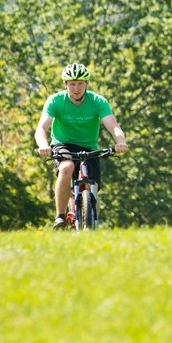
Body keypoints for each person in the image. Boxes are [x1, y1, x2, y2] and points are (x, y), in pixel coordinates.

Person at [35, 63, 128, 229]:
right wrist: (43, 145)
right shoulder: (56, 101)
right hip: (63, 145)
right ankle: (60, 216)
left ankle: (91, 224)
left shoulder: (98, 101)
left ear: (87, 84)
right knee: (66, 167)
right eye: (72, 84)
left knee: (92, 187)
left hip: (89, 147)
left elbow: (113, 126)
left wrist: (120, 141)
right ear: (65, 85)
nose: (76, 88)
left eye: (80, 83)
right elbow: (41, 128)